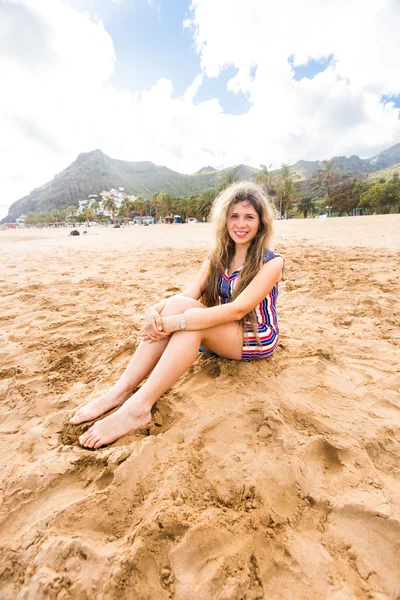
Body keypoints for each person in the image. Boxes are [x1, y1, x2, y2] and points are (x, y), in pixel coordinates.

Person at [71, 181, 284, 448]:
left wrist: (174, 323)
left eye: (249, 217)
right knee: (177, 307)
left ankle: (138, 407)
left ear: (261, 222)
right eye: (234, 216)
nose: (241, 224)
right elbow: (188, 294)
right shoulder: (218, 256)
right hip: (222, 330)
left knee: (187, 322)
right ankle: (120, 391)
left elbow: (238, 309)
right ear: (225, 220)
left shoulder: (272, 261)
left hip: (255, 334)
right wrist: (155, 311)